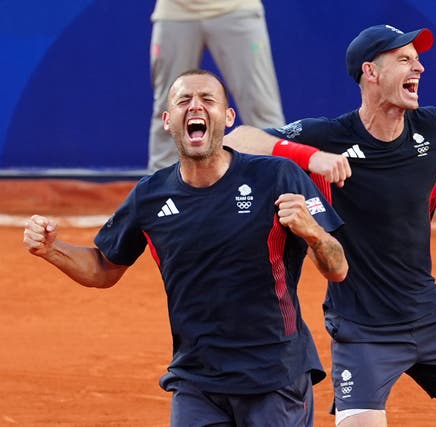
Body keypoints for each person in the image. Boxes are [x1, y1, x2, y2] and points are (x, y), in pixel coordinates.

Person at [223, 24, 436, 427]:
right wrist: (308, 157)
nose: (419, 67)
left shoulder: (435, 127)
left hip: (433, 317)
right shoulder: (329, 135)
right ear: (371, 72)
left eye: (417, 59)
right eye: (404, 59)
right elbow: (238, 139)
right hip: (363, 330)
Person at [23, 69, 348, 427]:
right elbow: (103, 266)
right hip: (197, 381)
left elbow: (338, 268)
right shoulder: (151, 196)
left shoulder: (278, 177)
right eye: (184, 100)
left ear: (227, 118)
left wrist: (313, 232)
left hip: (275, 377)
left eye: (208, 99)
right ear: (167, 120)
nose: (196, 106)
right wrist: (52, 249)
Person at [148, 0, 285, 172]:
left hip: (237, 9)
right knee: (170, 107)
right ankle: (160, 189)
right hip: (175, 12)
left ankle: (278, 179)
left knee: (261, 106)